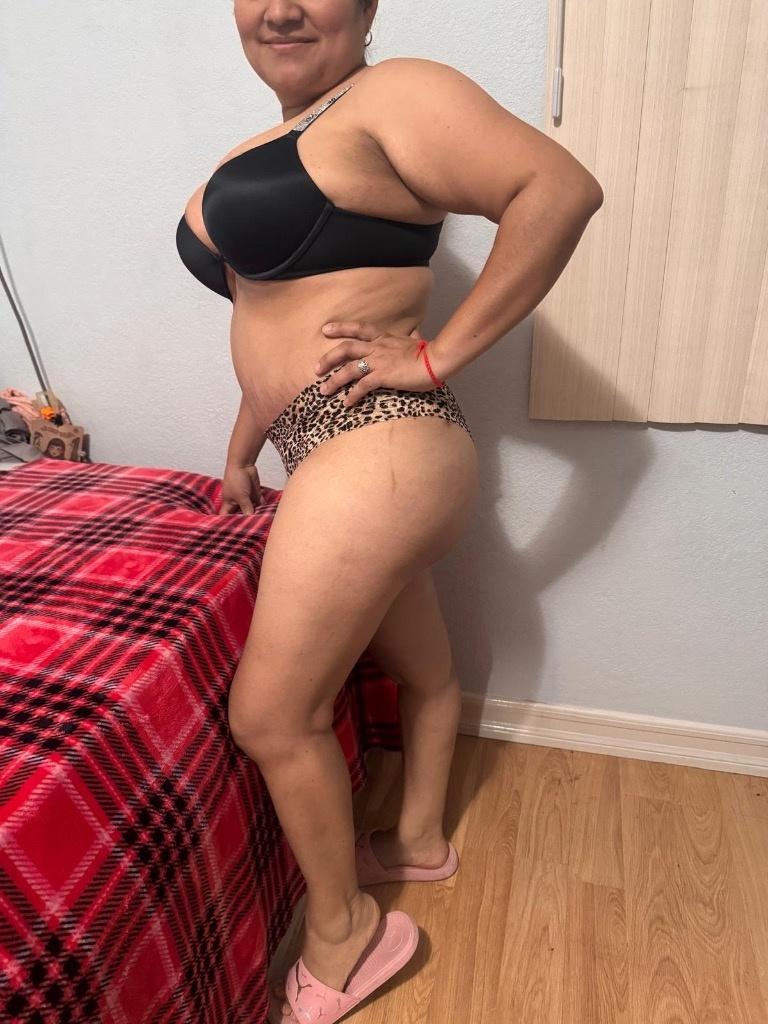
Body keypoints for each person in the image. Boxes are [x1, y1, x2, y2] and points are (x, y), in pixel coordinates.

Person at [176, 3, 603, 1020]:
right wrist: (241, 453)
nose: (280, 7)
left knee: (269, 716)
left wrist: (435, 354)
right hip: (335, 448)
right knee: (427, 672)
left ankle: (348, 929)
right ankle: (416, 841)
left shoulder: (392, 91)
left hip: (380, 442)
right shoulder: (281, 139)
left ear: (367, 9)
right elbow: (275, 328)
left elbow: (560, 189)